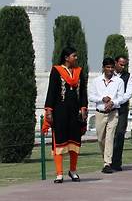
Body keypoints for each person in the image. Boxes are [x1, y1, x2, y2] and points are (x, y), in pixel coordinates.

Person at [44, 47, 87, 183]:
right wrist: (49, 110)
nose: (76, 58)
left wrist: (83, 107)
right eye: (74, 56)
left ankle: (73, 170)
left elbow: (83, 92)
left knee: (74, 141)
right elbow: (51, 91)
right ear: (66, 57)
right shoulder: (57, 71)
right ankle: (59, 173)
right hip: (60, 111)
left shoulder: (79, 72)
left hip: (74, 112)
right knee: (60, 142)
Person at [88, 57, 123, 174]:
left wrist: (113, 102)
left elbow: (121, 98)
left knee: (109, 138)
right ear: (103, 68)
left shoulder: (119, 81)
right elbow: (91, 96)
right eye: (108, 67)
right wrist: (102, 99)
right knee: (100, 139)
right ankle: (105, 158)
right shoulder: (96, 81)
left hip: (113, 113)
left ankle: (107, 163)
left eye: (112, 67)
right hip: (100, 113)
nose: (110, 69)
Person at [111, 54, 132, 171]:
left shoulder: (128, 76)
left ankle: (116, 162)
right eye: (121, 64)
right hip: (109, 109)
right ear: (115, 63)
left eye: (124, 65)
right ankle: (107, 161)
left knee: (119, 134)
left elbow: (128, 93)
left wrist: (116, 102)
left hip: (121, 109)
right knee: (108, 136)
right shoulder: (108, 74)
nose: (122, 67)